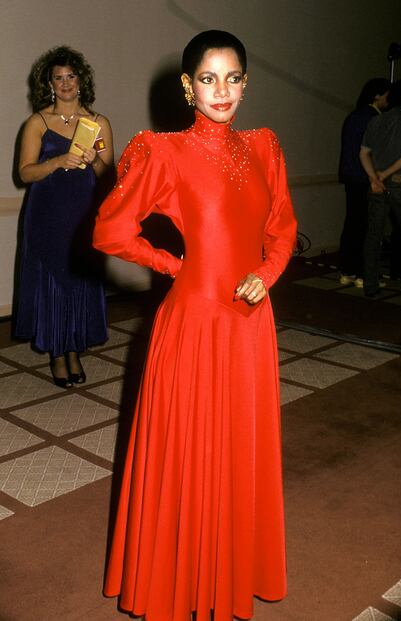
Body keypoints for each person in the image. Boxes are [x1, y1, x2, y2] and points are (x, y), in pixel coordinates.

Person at [93, 30, 297, 620]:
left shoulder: (263, 146)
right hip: (195, 321)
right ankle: (180, 582)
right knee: (191, 454)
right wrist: (173, 264)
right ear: (187, 86)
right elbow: (109, 231)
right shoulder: (164, 151)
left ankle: (232, 570)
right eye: (208, 79)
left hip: (249, 322)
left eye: (233, 78)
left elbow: (282, 227)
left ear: (246, 82)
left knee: (239, 450)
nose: (222, 91)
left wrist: (269, 272)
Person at [15, 46, 114, 387]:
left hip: (84, 214)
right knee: (53, 284)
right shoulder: (38, 123)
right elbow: (25, 173)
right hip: (46, 215)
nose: (66, 83)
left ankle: (74, 350)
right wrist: (56, 162)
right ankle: (58, 354)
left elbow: (108, 175)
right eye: (59, 77)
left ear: (81, 80)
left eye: (71, 76)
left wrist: (94, 158)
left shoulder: (98, 123)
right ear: (50, 83)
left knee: (79, 282)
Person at [360, 79, 401, 297]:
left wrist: (375, 178)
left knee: (373, 236)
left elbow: (363, 154)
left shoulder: (377, 121)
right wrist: (386, 173)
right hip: (400, 184)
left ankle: (370, 285)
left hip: (377, 187)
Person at [338, 78, 390, 287]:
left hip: (350, 176)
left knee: (352, 223)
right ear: (377, 95)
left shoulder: (354, 116)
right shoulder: (373, 118)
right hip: (365, 176)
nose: (388, 100)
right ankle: (363, 274)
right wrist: (376, 177)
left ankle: (347, 271)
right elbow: (371, 152)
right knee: (368, 227)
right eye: (387, 95)